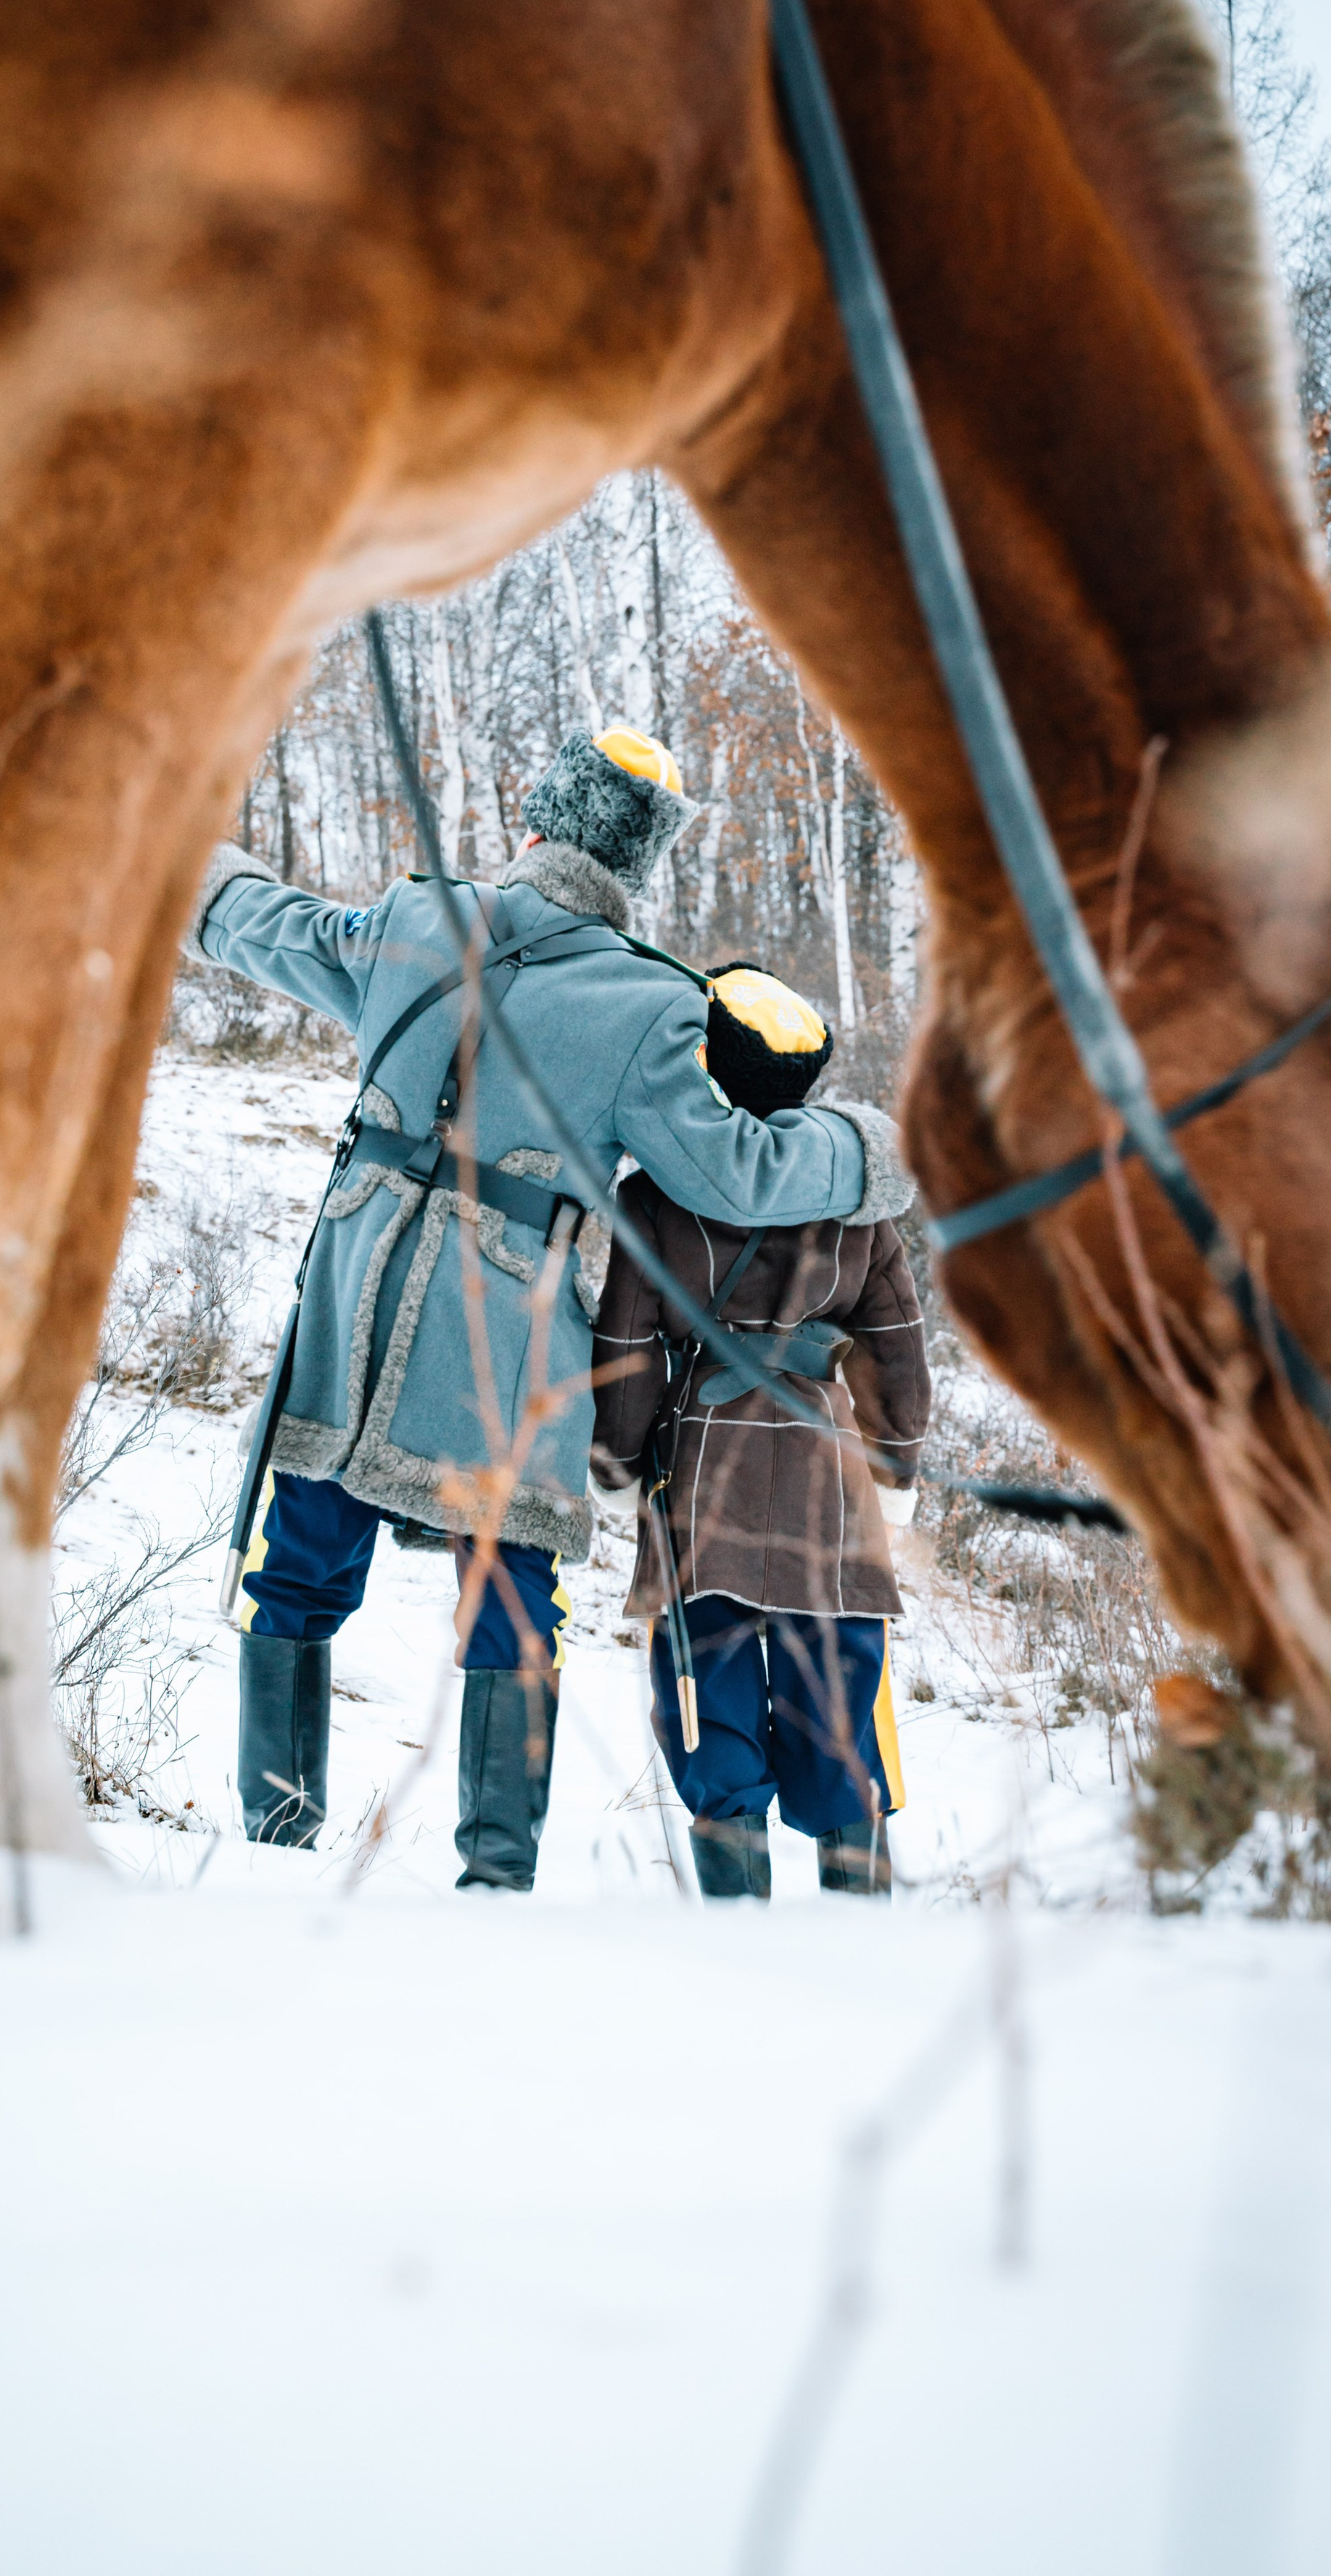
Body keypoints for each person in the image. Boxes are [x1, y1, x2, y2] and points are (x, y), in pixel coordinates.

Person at [184, 726, 915, 1888]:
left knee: (300, 1557)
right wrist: (870, 1149)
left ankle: (275, 1850)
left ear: (535, 826)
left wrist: (177, 853)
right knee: (511, 1590)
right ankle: (495, 1877)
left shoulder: (421, 919)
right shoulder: (648, 1003)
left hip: (352, 1309)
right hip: (505, 1341)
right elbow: (736, 1174)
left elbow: (261, 926)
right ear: (632, 867)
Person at [590, 962, 931, 1901]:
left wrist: (618, 1465)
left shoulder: (656, 1194)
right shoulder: (865, 1201)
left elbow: (626, 1349)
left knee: (712, 1694)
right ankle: (860, 1930)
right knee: (839, 1699)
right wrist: (896, 1470)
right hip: (834, 1470)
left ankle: (739, 1935)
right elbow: (898, 1355)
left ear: (710, 1063)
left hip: (704, 1472)